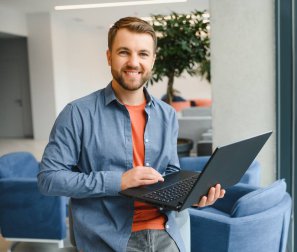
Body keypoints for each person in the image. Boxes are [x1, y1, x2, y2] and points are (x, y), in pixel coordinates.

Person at [37, 17, 225, 252]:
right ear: (109, 57)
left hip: (166, 233)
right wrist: (119, 181)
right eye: (124, 52)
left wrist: (191, 196)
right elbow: (49, 179)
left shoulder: (166, 114)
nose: (133, 62)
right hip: (107, 239)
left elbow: (170, 172)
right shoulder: (77, 113)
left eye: (143, 54)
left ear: (153, 60)